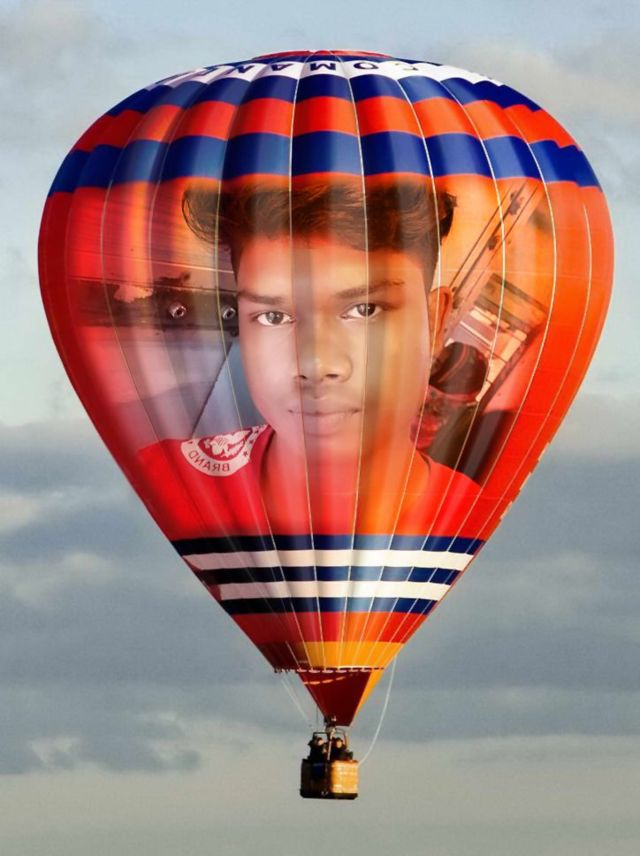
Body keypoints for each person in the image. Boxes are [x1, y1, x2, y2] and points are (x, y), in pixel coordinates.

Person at [138, 179, 481, 543]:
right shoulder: (156, 483)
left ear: (434, 322)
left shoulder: (481, 522)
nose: (314, 365)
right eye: (273, 316)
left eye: (365, 310)